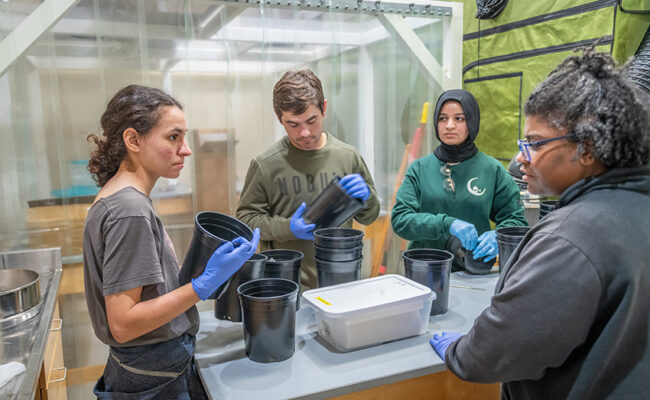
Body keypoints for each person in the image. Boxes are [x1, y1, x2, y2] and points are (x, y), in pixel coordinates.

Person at [430, 50, 650, 399]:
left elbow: (492, 353)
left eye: (534, 144)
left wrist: (462, 351)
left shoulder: (570, 239)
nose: (520, 160)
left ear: (587, 149)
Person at [83, 84, 260, 399]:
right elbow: (123, 323)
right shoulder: (130, 211)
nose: (187, 149)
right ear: (133, 140)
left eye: (185, 136)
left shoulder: (122, 198)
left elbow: (141, 288)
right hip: (154, 371)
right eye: (173, 137)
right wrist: (200, 287)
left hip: (146, 366)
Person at [236, 69, 380, 289]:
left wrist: (367, 198)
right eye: (293, 124)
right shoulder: (265, 165)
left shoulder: (348, 157)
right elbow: (246, 220)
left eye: (311, 120)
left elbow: (370, 216)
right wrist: (287, 228)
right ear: (279, 118)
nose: (304, 133)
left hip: (340, 282)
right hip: (286, 287)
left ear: (324, 108)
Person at [391, 89, 527, 270]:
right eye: (442, 118)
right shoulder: (420, 168)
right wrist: (446, 224)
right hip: (425, 269)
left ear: (471, 121)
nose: (449, 125)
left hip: (473, 270)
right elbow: (401, 220)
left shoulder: (491, 169)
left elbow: (515, 219)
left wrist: (499, 235)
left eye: (459, 118)